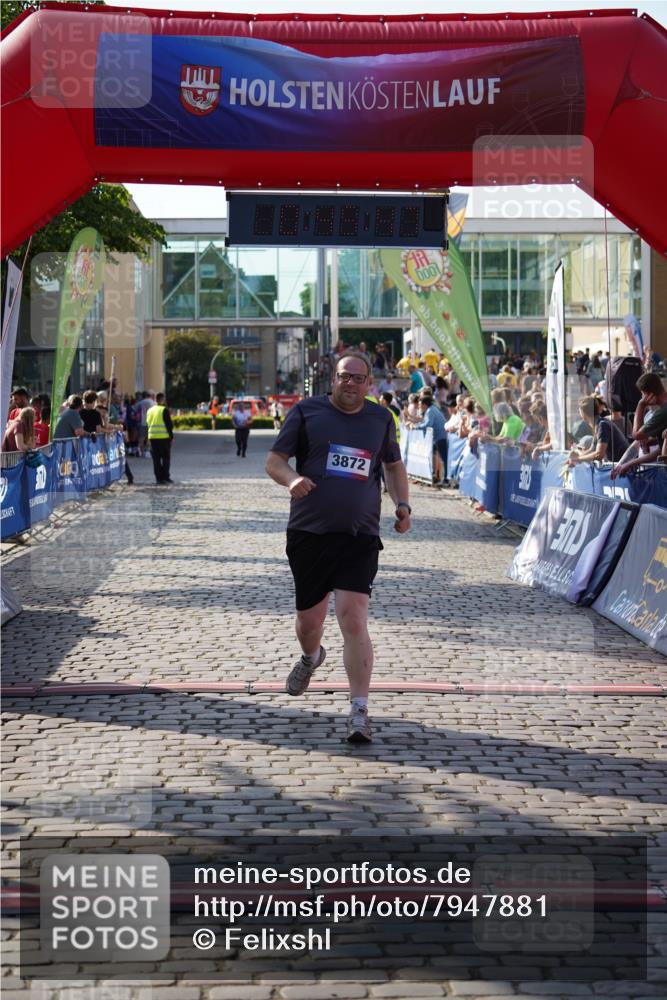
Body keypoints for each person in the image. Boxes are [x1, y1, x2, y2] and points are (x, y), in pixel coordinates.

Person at [265, 349, 412, 744]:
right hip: (309, 534)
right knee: (310, 623)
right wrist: (292, 479)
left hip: (359, 535)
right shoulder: (306, 412)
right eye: (344, 376)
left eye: (358, 378)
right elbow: (274, 460)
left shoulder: (381, 419)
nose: (351, 383)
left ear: (369, 384)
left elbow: (393, 466)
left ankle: (359, 710)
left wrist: (402, 504)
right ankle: (311, 657)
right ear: (334, 379)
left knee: (353, 618)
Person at [413, 392, 448, 485]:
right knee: (437, 457)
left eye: (420, 404)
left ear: (425, 404)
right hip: (438, 436)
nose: (419, 406)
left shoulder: (430, 411)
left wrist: (415, 427)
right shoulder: (431, 409)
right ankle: (435, 477)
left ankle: (445, 479)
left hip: (440, 436)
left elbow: (428, 424)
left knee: (443, 458)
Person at [146, 392, 174, 484]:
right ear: (162, 400)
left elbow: (148, 423)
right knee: (165, 458)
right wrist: (171, 437)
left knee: (156, 459)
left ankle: (158, 478)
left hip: (153, 438)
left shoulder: (150, 410)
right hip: (164, 437)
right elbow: (169, 425)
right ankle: (165, 477)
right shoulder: (164, 410)